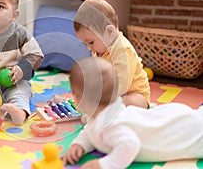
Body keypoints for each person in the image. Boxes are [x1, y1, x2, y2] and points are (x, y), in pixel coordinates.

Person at [62, 57, 203, 169]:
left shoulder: (111, 126)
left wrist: (104, 165)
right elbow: (90, 131)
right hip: (176, 119)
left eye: (74, 94)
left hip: (188, 133)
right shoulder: (104, 115)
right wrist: (79, 145)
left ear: (80, 99)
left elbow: (130, 144)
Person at [73, 0, 150, 109]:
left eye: (91, 42)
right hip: (112, 94)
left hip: (133, 93)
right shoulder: (100, 49)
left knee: (133, 102)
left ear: (109, 31)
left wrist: (101, 99)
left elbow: (122, 85)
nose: (89, 48)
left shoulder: (123, 50)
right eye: (86, 44)